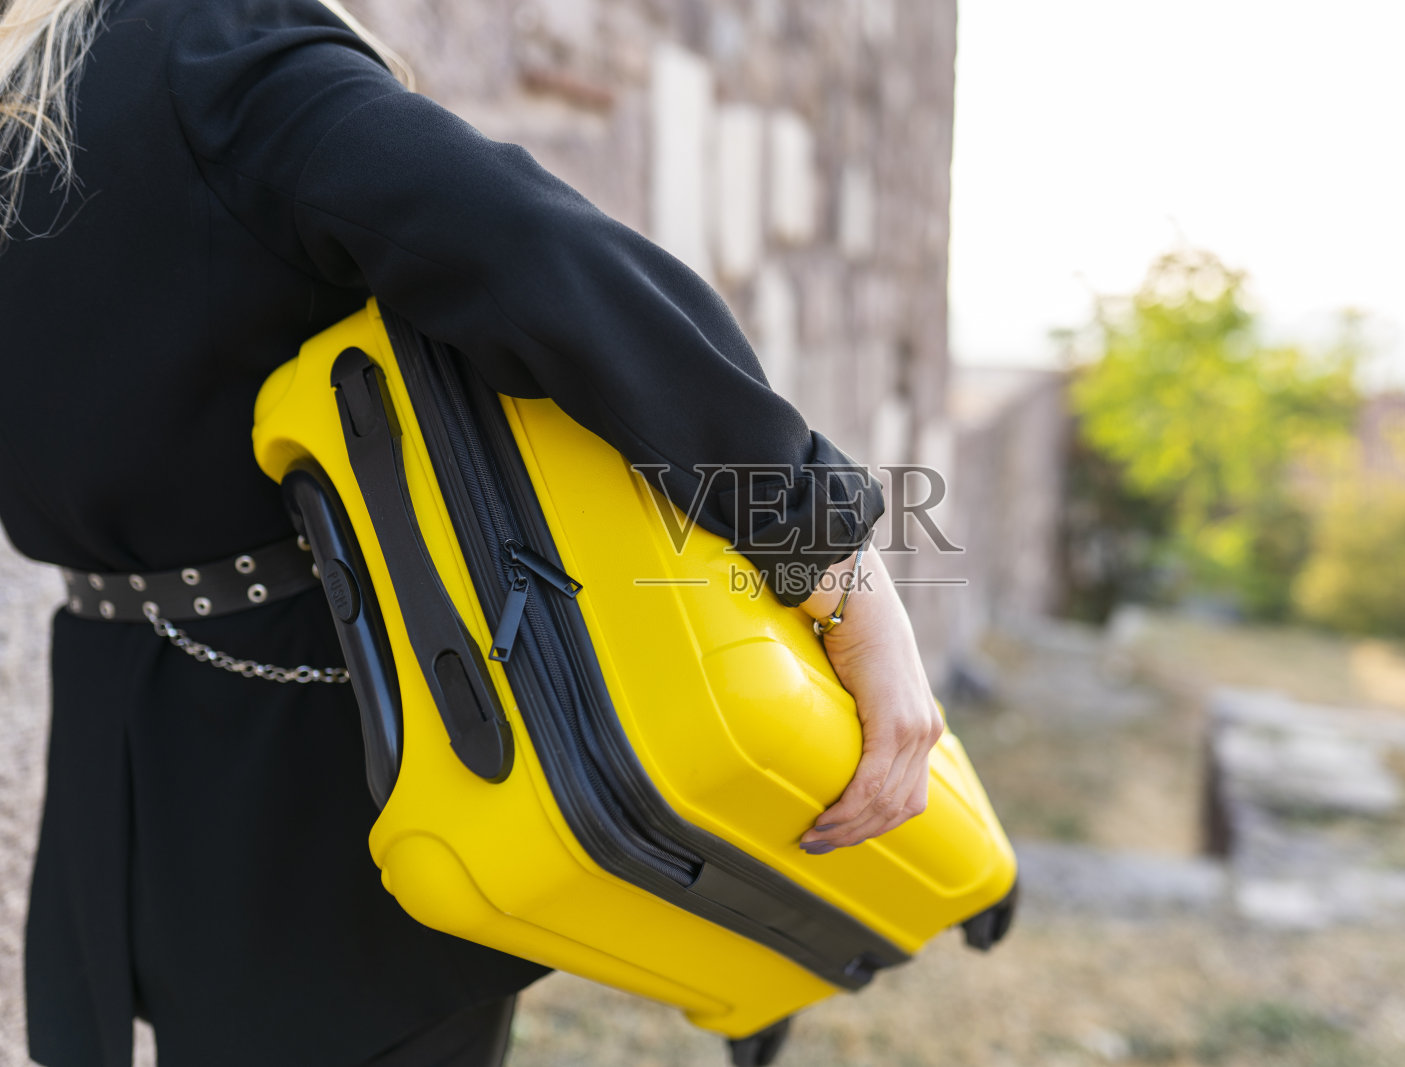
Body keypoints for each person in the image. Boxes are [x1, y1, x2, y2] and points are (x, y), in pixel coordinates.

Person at [0, 0, 946, 1064]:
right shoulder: (200, 48)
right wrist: (837, 563)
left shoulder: (59, 85)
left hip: (126, 723)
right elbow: (533, 252)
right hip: (334, 747)